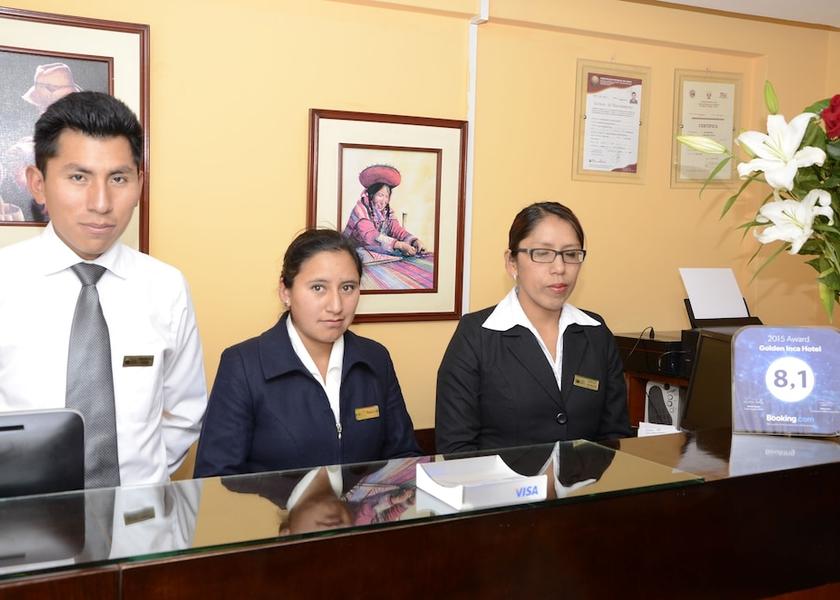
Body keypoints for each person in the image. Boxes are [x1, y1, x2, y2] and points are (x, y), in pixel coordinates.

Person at [0, 91, 208, 487]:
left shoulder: (165, 287)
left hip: (141, 527)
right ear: (38, 184)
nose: (101, 202)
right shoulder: (4, 281)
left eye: (118, 178)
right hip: (22, 525)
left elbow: (184, 411)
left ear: (139, 183)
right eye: (78, 177)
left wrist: (140, 486)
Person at [194, 229, 421, 477]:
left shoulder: (375, 359)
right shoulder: (243, 365)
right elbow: (215, 482)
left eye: (347, 287)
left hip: (362, 516)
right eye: (318, 288)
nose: (336, 306)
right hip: (275, 516)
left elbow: (403, 460)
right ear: (286, 291)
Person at [435, 202, 631, 453]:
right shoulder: (476, 335)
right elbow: (456, 448)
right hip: (499, 490)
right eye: (542, 253)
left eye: (571, 254)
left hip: (585, 490)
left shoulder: (596, 332)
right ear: (512, 263)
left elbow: (615, 436)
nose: (560, 268)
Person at [342, 164, 425, 256]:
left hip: (374, 251)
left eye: (386, 196)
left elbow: (396, 229)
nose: (384, 201)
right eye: (380, 195)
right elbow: (370, 236)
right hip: (353, 252)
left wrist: (414, 241)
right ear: (371, 195)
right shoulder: (360, 209)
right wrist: (399, 245)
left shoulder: (388, 211)